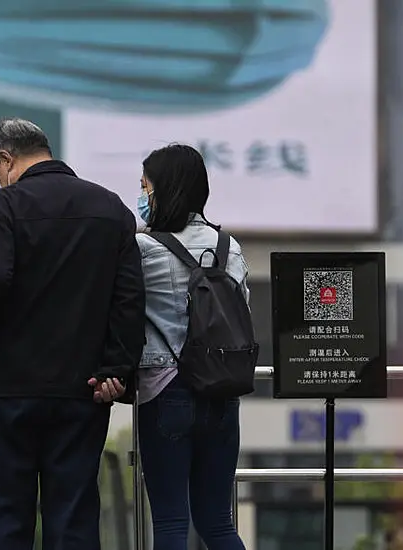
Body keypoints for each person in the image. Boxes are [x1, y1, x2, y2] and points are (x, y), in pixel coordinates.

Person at [0, 117, 146, 550]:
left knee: (5, 519)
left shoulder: (4, 206)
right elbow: (128, 299)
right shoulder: (112, 209)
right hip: (83, 389)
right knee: (73, 517)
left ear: (4, 160)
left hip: (10, 390)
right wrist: (117, 368)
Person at [134, 144, 249, 550]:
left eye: (145, 186)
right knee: (217, 523)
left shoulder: (143, 249)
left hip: (165, 389)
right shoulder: (228, 247)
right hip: (222, 392)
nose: (142, 195)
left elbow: (123, 314)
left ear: (165, 189)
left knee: (170, 522)